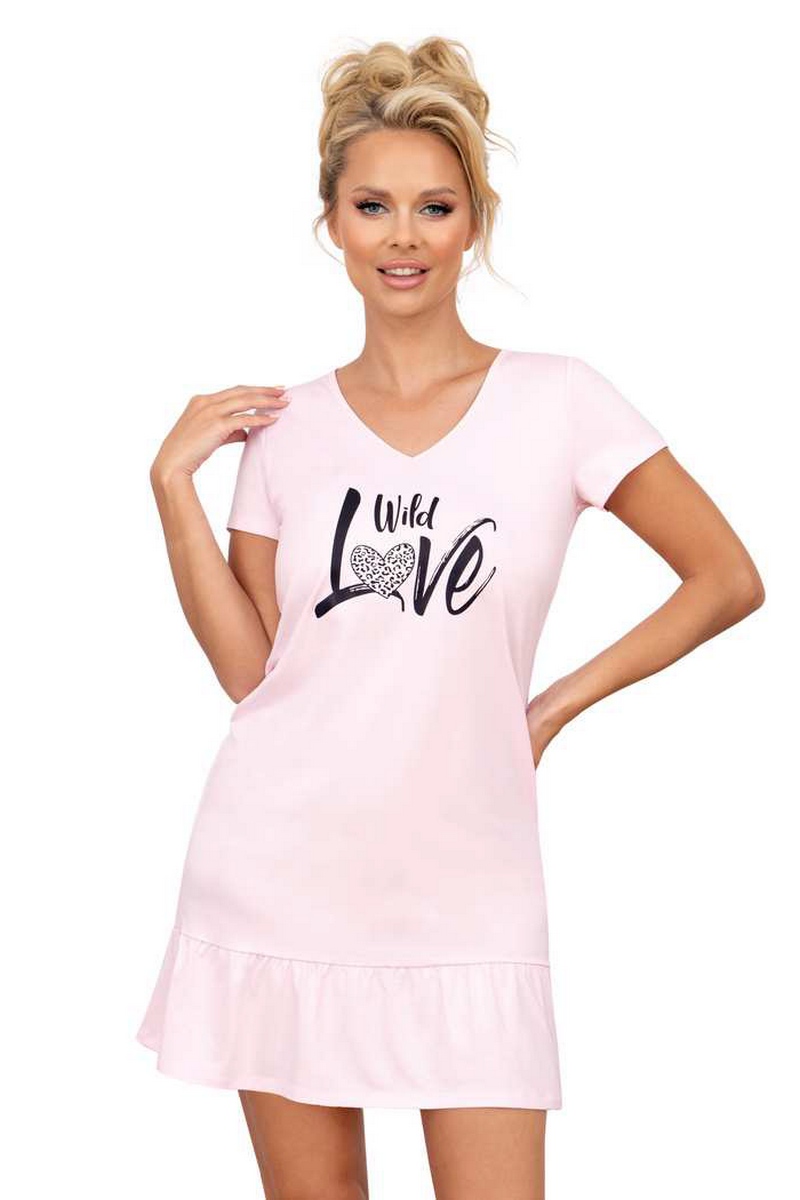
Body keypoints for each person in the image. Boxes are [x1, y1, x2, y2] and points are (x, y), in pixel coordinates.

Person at [136, 35, 765, 1200]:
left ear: (473, 220)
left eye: (433, 206)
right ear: (332, 223)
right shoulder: (282, 430)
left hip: (470, 881)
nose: (403, 237)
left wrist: (549, 708)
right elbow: (252, 674)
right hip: (282, 869)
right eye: (371, 206)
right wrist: (173, 484)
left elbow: (724, 578)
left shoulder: (559, 401)